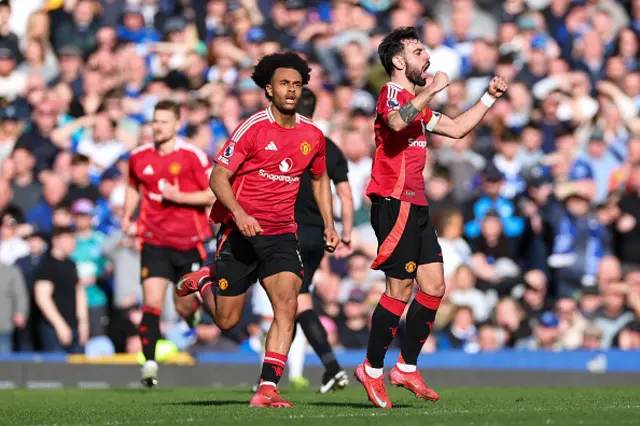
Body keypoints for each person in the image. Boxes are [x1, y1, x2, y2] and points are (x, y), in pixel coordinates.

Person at [175, 52, 339, 408]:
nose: (291, 90)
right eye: (284, 84)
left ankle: (267, 387)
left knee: (287, 303)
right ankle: (205, 279)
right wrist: (239, 212)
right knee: (226, 319)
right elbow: (218, 177)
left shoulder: (312, 135)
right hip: (241, 231)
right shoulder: (252, 128)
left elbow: (320, 177)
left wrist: (329, 223)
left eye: (297, 84)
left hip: (282, 233)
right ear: (269, 89)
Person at [356, 26, 507, 409]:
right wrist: (432, 89)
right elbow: (393, 122)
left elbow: (456, 129)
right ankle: (372, 369)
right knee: (399, 290)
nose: (427, 57)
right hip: (393, 202)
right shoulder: (394, 94)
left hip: (417, 204)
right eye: (419, 51)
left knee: (435, 286)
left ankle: (406, 366)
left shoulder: (418, 104)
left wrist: (487, 98)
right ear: (398, 60)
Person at [250, 88, 355, 393]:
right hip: (317, 234)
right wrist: (344, 231)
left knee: (288, 306)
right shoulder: (329, 146)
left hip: (289, 231)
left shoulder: (284, 139)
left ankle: (275, 378)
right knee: (298, 301)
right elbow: (345, 195)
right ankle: (326, 369)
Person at [122, 100, 215, 387]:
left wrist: (179, 197)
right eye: (155, 121)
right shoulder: (138, 157)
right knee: (151, 301)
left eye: (163, 121)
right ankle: (149, 363)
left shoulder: (193, 156)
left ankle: (192, 316)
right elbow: (133, 186)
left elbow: (213, 194)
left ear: (177, 124)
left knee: (183, 306)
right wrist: (127, 216)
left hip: (188, 242)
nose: (157, 126)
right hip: (153, 240)